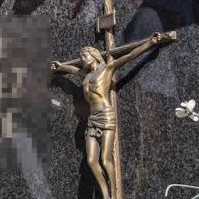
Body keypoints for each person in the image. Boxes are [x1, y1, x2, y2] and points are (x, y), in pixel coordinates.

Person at [50, 32, 171, 199]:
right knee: (92, 161)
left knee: (106, 159)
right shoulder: (86, 76)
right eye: (81, 57)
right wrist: (62, 67)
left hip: (106, 116)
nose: (83, 59)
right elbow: (73, 70)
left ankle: (114, 196)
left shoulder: (107, 68)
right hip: (92, 120)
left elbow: (129, 56)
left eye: (85, 55)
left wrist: (150, 43)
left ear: (94, 56)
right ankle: (105, 195)